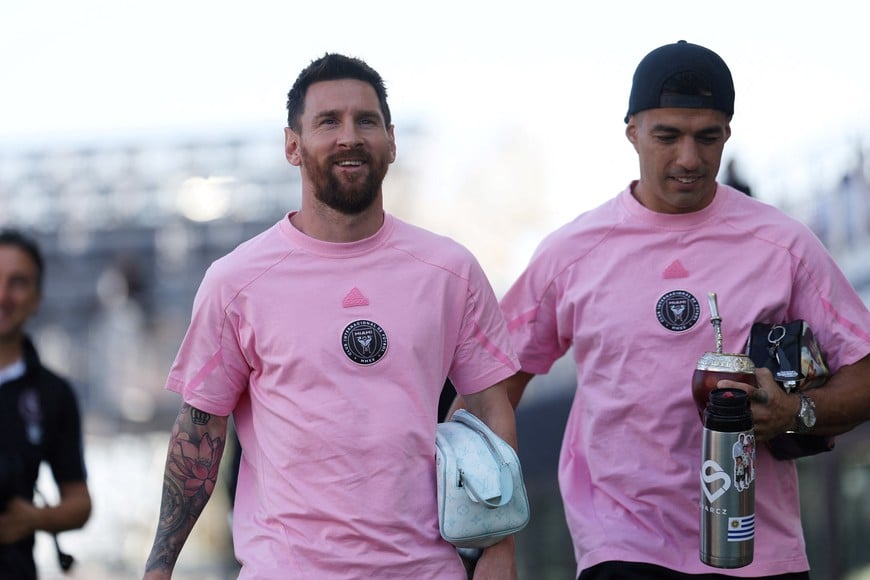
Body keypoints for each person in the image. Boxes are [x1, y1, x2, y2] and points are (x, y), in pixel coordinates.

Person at [495, 40, 870, 579]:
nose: (689, 158)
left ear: (727, 134)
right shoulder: (572, 253)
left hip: (757, 553)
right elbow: (493, 386)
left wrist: (796, 414)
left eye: (707, 137)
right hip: (621, 547)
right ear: (632, 133)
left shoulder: (783, 244)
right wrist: (486, 532)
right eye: (667, 136)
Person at [142, 53, 520, 580]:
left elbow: (487, 409)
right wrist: (160, 565)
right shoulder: (236, 282)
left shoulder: (449, 270)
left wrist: (499, 552)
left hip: (426, 570)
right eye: (328, 121)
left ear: (391, 139)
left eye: (366, 120)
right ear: (292, 146)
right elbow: (200, 429)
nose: (349, 136)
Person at [0, 229, 92, 579]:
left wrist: (33, 518)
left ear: (36, 298)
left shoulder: (53, 395)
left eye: (17, 282)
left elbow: (80, 502)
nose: (3, 295)